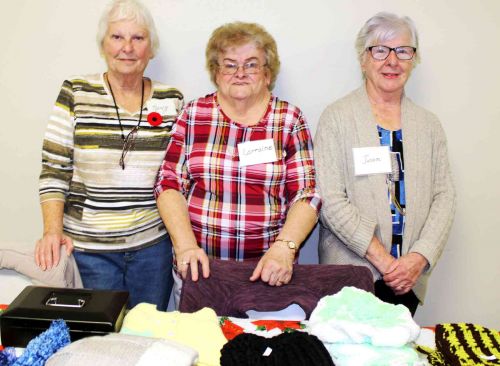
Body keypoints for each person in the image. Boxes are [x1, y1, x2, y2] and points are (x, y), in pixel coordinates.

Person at [154, 22, 321, 301]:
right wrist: (184, 246)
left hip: (268, 272)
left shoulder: (289, 120)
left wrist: (285, 248)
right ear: (216, 73)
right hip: (199, 269)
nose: (240, 73)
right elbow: (168, 182)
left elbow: (307, 194)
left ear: (267, 73)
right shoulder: (194, 114)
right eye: (230, 65)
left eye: (252, 64)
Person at [35, 0, 183, 311]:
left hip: (153, 249)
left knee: (146, 334)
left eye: (138, 38)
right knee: (99, 340)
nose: (127, 48)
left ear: (151, 48)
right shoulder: (76, 92)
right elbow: (54, 168)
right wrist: (52, 230)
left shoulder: (173, 100)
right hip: (90, 251)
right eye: (117, 37)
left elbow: (178, 178)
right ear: (103, 45)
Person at [314, 12, 455, 315]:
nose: (392, 61)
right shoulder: (336, 118)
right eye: (380, 50)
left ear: (413, 60)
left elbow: (444, 197)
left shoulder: (429, 125)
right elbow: (330, 201)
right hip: (351, 277)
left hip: (409, 279)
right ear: (362, 59)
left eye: (403, 51)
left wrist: (418, 258)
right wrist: (385, 262)